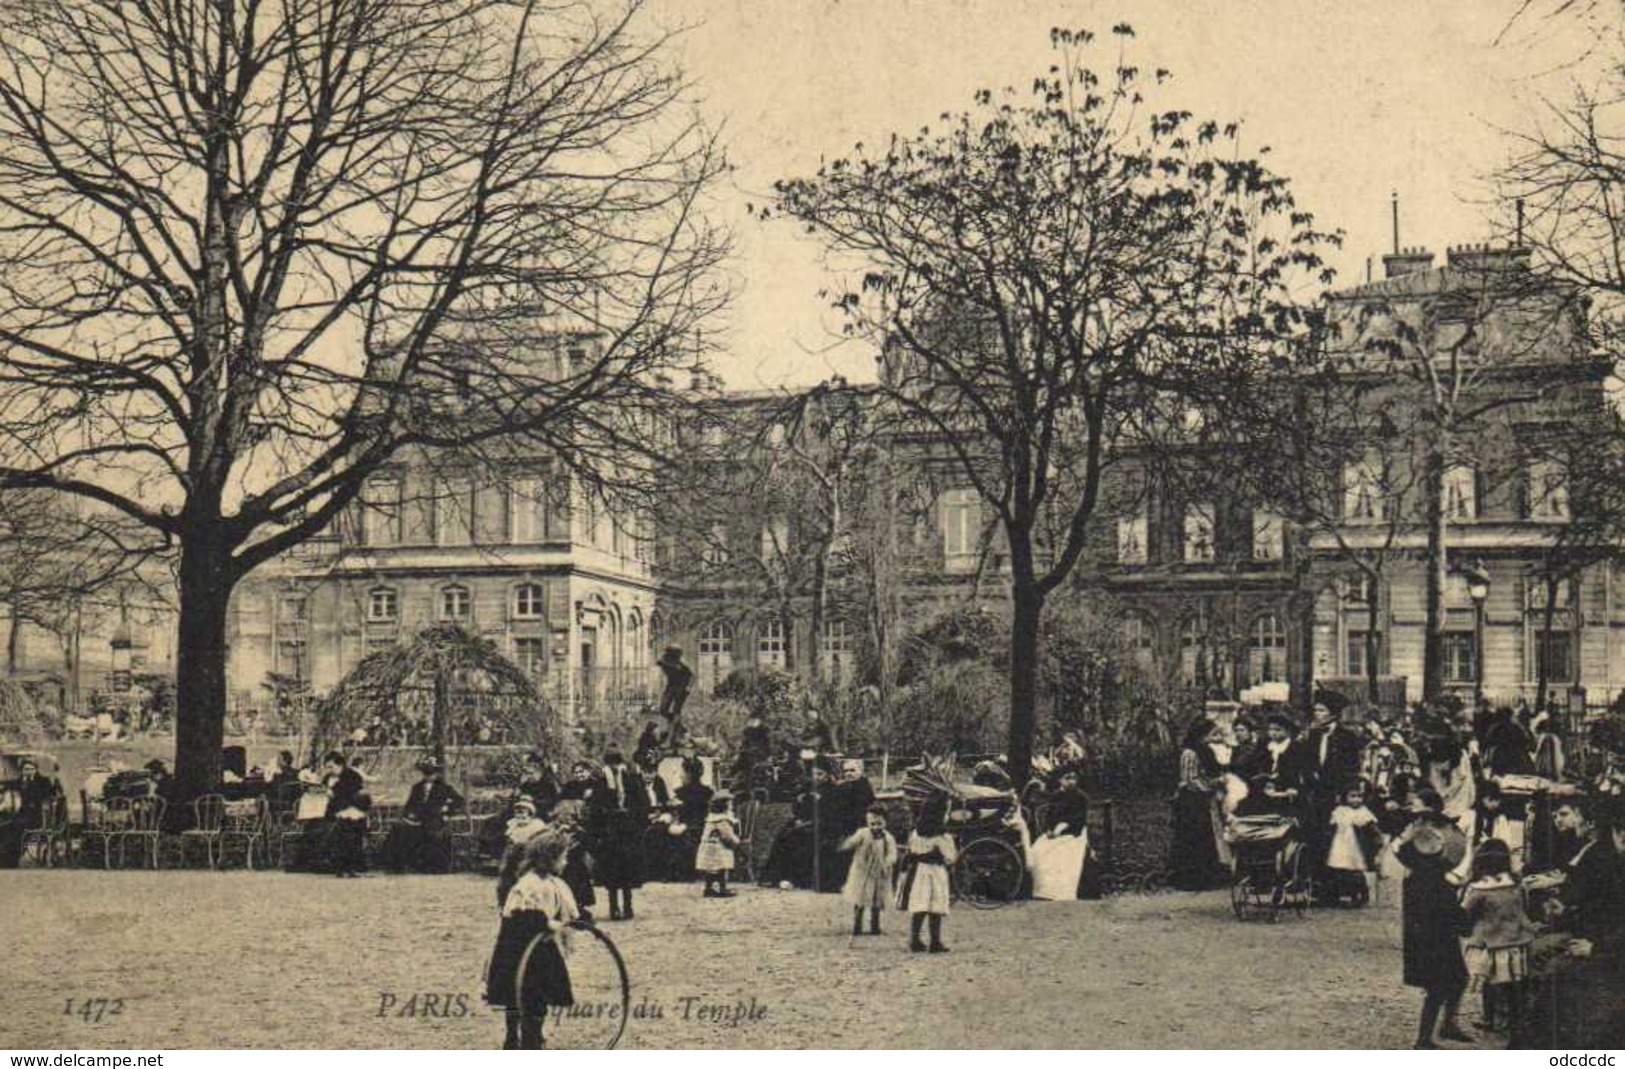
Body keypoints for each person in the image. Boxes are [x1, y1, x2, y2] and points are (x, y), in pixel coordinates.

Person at [485, 831, 578, 1050]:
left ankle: (532, 1037)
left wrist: (572, 923)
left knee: (537, 997)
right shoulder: (528, 884)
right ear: (549, 858)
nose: (565, 862)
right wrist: (548, 924)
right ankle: (519, 1040)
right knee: (520, 996)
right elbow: (522, 917)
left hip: (542, 950)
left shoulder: (556, 884)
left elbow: (569, 912)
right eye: (562, 857)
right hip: (520, 949)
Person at [1395, 788, 1473, 1048]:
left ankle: (1447, 1025)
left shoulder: (1418, 872)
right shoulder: (1430, 875)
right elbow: (1445, 907)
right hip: (1435, 936)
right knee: (1440, 984)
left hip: (1432, 934)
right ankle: (1423, 1039)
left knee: (1456, 979)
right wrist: (1465, 922)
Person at [1460, 838, 1537, 1035]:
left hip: (1489, 942)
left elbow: (1464, 914)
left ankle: (1490, 1019)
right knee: (1514, 983)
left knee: (1489, 983)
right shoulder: (1517, 884)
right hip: (1517, 940)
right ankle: (1514, 1019)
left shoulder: (1478, 889)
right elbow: (1525, 908)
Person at [587, 748, 647, 921]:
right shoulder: (600, 782)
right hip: (610, 831)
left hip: (628, 831)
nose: (613, 767)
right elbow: (595, 808)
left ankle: (628, 905)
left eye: (616, 763)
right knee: (612, 870)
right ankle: (614, 907)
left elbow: (642, 803)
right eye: (610, 763)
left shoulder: (631, 779)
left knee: (627, 869)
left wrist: (632, 814)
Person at [1169, 717, 1228, 891]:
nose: (1213, 737)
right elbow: (1190, 780)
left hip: (1202, 800)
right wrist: (1213, 785)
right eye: (1211, 734)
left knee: (1205, 836)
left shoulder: (1205, 750)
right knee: (1192, 837)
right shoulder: (1190, 753)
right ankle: (1189, 878)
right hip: (1192, 801)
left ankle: (1206, 875)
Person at [897, 796, 956, 953]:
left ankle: (914, 939)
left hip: (919, 873)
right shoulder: (943, 837)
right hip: (936, 872)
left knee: (920, 906)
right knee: (935, 907)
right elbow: (950, 857)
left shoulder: (916, 833)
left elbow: (912, 850)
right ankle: (935, 941)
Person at [383, 759, 464, 873]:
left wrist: (447, 810)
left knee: (432, 833)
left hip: (435, 819)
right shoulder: (417, 787)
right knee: (398, 830)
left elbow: (459, 801)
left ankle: (431, 865)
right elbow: (409, 805)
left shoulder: (444, 787)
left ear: (436, 774)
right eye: (426, 773)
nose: (428, 776)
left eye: (431, 773)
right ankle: (399, 864)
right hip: (417, 819)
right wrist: (409, 814)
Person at [839, 804, 897, 936]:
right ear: (867, 822)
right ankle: (857, 925)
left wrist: (887, 862)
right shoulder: (863, 833)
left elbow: (892, 854)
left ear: (885, 822)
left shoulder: (888, 838)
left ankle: (875, 925)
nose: (875, 827)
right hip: (862, 870)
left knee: (877, 898)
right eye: (872, 823)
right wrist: (846, 844)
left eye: (879, 823)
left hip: (879, 872)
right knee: (860, 896)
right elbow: (851, 843)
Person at [1325, 784, 1380, 906]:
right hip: (1340, 844)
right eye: (1352, 796)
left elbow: (1372, 830)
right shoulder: (1340, 811)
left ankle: (1359, 895)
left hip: (1355, 846)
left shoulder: (1364, 812)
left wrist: (1375, 844)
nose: (1356, 799)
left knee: (1356, 870)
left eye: (1359, 796)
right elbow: (1332, 826)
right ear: (1346, 797)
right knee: (1339, 869)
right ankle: (1341, 894)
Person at [322, 751, 370, 877]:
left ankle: (347, 866)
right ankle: (331, 864)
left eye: (331, 767)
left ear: (341, 765)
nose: (329, 770)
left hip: (352, 811)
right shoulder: (328, 778)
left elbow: (354, 797)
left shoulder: (352, 776)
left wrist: (333, 793)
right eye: (327, 767)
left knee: (346, 828)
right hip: (335, 811)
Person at [695, 790, 741, 898]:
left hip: (708, 847)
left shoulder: (711, 819)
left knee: (710, 870)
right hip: (718, 848)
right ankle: (722, 889)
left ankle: (708, 888)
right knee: (722, 869)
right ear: (724, 806)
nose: (731, 806)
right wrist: (736, 841)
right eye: (730, 804)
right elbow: (727, 836)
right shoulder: (722, 820)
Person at [655, 647, 693, 743]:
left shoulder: (683, 664)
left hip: (681, 688)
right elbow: (659, 661)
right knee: (662, 709)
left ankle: (673, 733)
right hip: (671, 686)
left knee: (676, 711)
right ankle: (679, 725)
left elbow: (692, 676)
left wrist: (688, 687)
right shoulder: (665, 660)